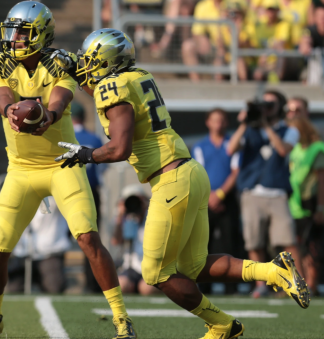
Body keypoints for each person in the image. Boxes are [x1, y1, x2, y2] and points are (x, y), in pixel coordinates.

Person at [52, 28, 310, 339]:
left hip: (170, 180)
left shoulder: (112, 86)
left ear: (107, 62)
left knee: (156, 273)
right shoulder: (137, 76)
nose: (86, 65)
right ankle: (273, 271)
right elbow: (111, 99)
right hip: (188, 172)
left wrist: (87, 154)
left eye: (91, 61)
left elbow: (120, 148)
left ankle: (222, 324)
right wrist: (79, 78)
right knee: (194, 265)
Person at [0, 2, 136, 339]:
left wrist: (46, 116)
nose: (14, 39)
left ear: (41, 34)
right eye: (12, 31)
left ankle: (121, 317)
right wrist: (11, 109)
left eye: (22, 32)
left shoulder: (60, 62)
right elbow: (1, 95)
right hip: (20, 169)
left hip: (62, 164)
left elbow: (59, 100)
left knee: (88, 238)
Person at [227, 90, 303, 299]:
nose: (266, 108)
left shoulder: (288, 130)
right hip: (251, 192)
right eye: (263, 104)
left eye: (270, 104)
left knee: (287, 240)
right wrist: (245, 121)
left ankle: (299, 283)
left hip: (277, 192)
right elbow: (231, 148)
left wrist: (265, 125)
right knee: (255, 242)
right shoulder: (249, 130)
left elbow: (282, 150)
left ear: (280, 106)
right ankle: (261, 285)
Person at [192, 108, 242, 294]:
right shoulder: (199, 146)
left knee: (231, 242)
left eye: (221, 120)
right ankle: (204, 286)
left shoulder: (233, 144)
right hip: (205, 200)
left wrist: (220, 195)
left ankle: (232, 287)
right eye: (214, 120)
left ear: (226, 123)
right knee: (203, 244)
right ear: (208, 122)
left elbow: (236, 172)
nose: (218, 124)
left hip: (227, 200)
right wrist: (210, 196)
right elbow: (198, 173)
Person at [288, 115, 324, 296]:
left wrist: (320, 207)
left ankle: (312, 284)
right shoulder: (293, 150)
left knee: (313, 247)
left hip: (311, 204)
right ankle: (302, 284)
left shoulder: (317, 148)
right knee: (298, 246)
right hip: (294, 203)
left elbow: (321, 179)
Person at [70, 101, 104, 293]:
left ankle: (47, 280)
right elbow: (101, 171)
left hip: (65, 193)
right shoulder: (94, 138)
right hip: (90, 193)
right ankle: (92, 284)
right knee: (91, 239)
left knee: (55, 237)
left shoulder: (63, 136)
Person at [8, 197, 70, 294]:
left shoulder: (54, 193)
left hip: (49, 253)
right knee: (13, 289)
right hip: (21, 253)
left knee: (54, 288)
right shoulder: (18, 191)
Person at [112, 185, 159, 296]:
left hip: (151, 267)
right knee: (121, 285)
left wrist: (146, 209)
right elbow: (115, 241)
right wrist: (121, 215)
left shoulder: (153, 216)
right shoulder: (123, 219)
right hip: (130, 267)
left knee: (147, 289)